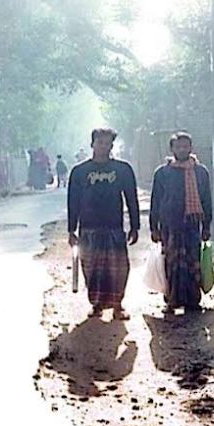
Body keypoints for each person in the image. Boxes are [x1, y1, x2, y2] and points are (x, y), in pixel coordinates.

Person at [68, 128, 139, 320]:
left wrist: (135, 226)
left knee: (119, 268)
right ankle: (97, 305)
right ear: (92, 144)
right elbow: (72, 202)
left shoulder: (123, 170)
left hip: (114, 227)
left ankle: (118, 306)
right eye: (100, 142)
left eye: (107, 143)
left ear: (112, 146)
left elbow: (131, 198)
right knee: (91, 269)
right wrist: (71, 230)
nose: (103, 147)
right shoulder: (79, 172)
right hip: (88, 228)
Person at [149, 132, 213, 315]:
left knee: (193, 263)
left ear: (191, 148)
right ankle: (171, 300)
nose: (182, 149)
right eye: (178, 146)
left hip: (192, 226)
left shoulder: (201, 172)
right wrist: (154, 227)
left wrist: (207, 225)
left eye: (185, 146)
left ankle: (193, 301)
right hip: (170, 225)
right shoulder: (162, 173)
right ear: (172, 149)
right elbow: (156, 201)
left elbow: (206, 200)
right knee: (172, 264)